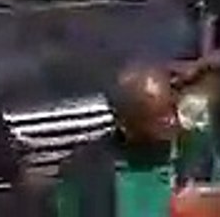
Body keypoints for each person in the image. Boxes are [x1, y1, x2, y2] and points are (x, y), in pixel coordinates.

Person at [54, 65, 192, 216]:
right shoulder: (86, 170)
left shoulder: (195, 152)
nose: (172, 121)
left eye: (171, 109)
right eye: (157, 119)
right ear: (125, 124)